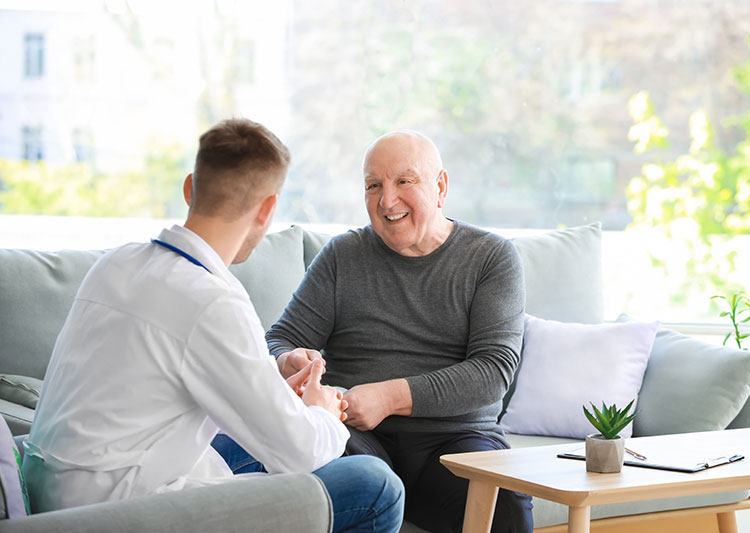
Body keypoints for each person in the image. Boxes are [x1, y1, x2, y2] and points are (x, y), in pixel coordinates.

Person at [22, 118, 404, 533]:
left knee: (262, 438)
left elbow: (165, 381)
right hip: (114, 510)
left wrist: (269, 385)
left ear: (190, 187)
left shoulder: (116, 263)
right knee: (376, 485)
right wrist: (324, 413)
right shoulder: (211, 301)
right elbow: (303, 455)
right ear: (266, 210)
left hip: (56, 490)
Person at [266, 130, 534, 532]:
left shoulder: (490, 258)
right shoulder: (342, 256)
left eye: (404, 181)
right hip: (358, 435)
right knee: (332, 471)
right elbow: (280, 339)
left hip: (456, 438)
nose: (387, 200)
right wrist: (289, 361)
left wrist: (389, 396)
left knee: (506, 507)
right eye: (374, 185)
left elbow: (492, 373)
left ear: (440, 187)